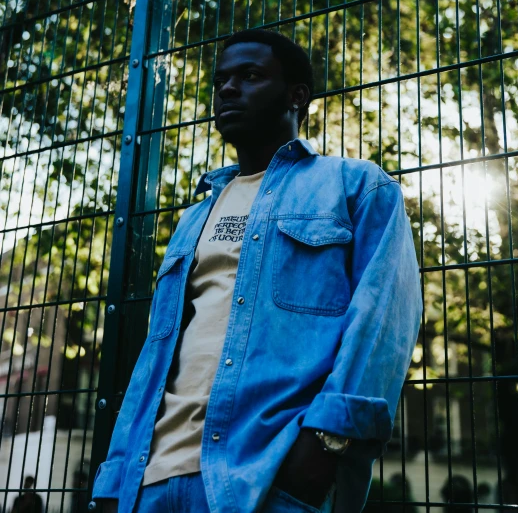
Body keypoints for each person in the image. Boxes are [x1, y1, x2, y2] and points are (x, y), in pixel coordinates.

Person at [92, 29, 422, 513]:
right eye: (221, 79)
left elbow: (385, 322)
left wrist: (324, 446)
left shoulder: (356, 187)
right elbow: (157, 357)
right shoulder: (193, 218)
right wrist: (115, 478)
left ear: (296, 97)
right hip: (151, 483)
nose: (228, 89)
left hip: (266, 479)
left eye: (249, 76)